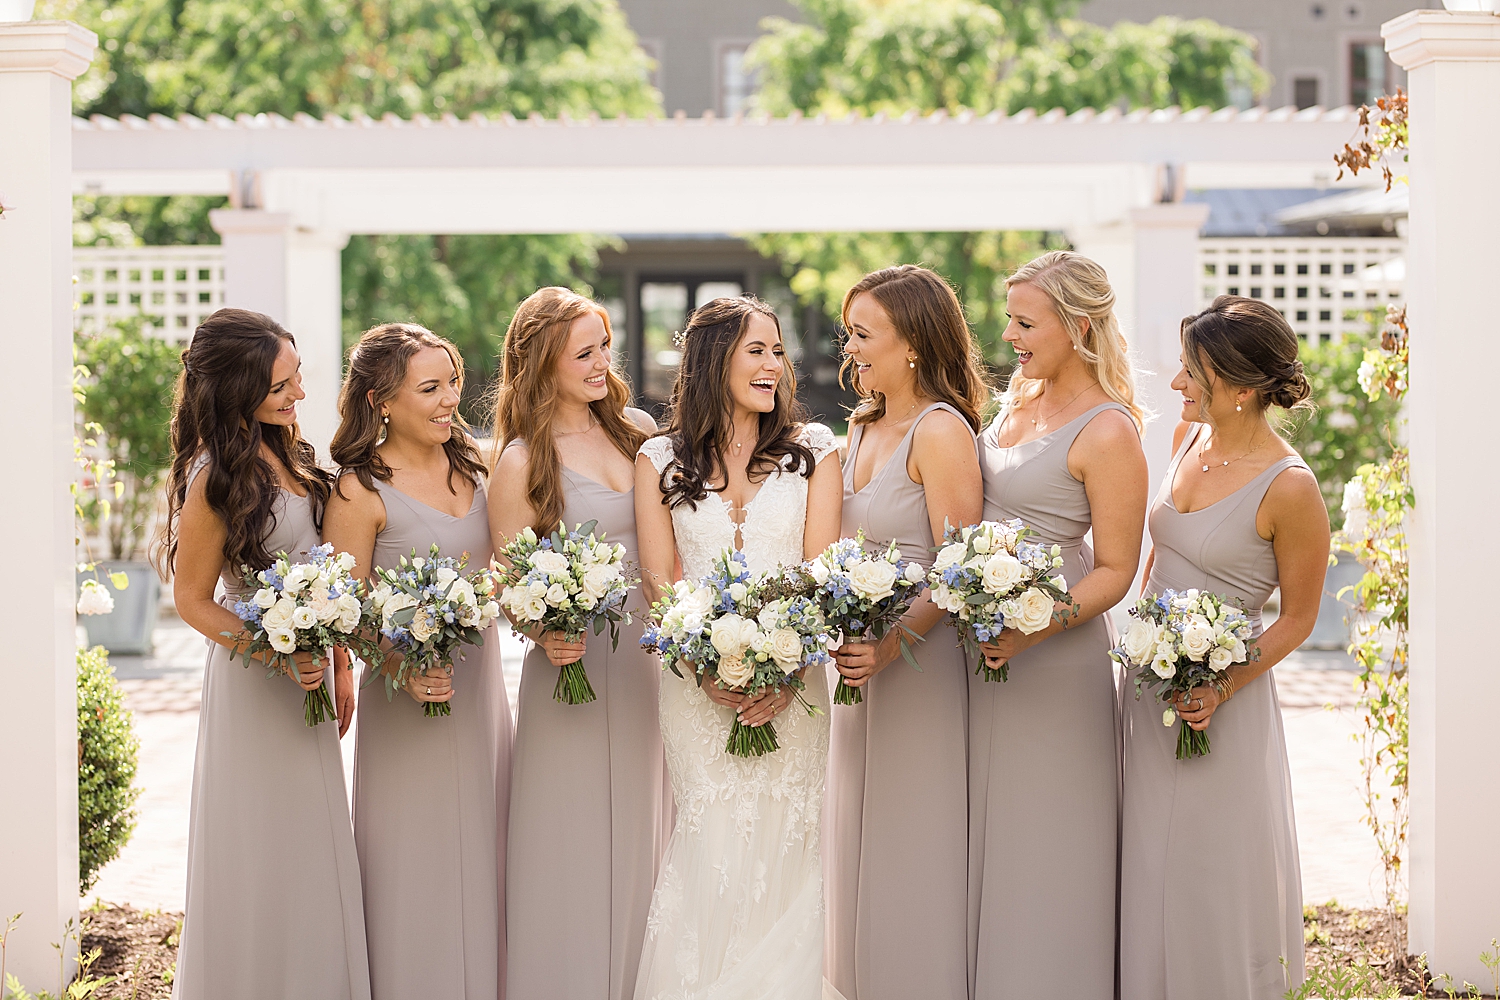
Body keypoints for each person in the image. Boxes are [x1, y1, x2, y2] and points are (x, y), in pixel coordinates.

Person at [632, 296, 843, 1000]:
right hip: (695, 692)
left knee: (789, 851)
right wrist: (701, 669)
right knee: (711, 845)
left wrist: (788, 669)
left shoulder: (815, 451)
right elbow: (661, 585)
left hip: (797, 690)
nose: (773, 366)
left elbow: (820, 575)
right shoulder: (657, 459)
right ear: (713, 358)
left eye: (778, 352)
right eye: (757, 350)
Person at [156, 308, 370, 1000]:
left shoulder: (294, 454)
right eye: (282, 384)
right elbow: (193, 600)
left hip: (308, 678)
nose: (299, 395)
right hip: (255, 687)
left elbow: (326, 573)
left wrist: (338, 662)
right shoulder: (213, 478)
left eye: (298, 376)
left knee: (309, 850)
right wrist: (275, 654)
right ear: (237, 387)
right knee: (260, 851)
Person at [1120, 295, 1328, 999]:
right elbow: (1160, 558)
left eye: (1191, 373)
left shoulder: (1290, 488)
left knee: (1203, 871)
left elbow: (1298, 618)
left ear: (1242, 389)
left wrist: (1221, 685)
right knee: (1146, 861)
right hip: (1147, 693)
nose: (1177, 385)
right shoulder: (1188, 443)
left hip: (1220, 708)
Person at [968, 250, 1149, 999]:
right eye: (1008, 316)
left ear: (1077, 326)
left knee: (1050, 835)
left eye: (1023, 320)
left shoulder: (1109, 431)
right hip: (982, 647)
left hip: (1056, 659)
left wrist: (1036, 627)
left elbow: (1116, 569)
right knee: (994, 830)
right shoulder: (1013, 403)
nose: (1007, 333)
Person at [323, 323, 511, 1000]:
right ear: (380, 400)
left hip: (480, 693)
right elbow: (346, 616)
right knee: (414, 865)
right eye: (429, 389)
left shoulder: (479, 466)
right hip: (406, 705)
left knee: (486, 854)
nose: (449, 402)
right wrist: (401, 664)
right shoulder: (357, 490)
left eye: (453, 383)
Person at [490, 288, 666, 1000]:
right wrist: (544, 629)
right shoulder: (521, 463)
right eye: (584, 352)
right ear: (542, 363)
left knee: (645, 827)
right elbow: (508, 582)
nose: (602, 363)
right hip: (574, 673)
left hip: (652, 661)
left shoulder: (638, 430)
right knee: (569, 843)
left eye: (605, 347)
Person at [827, 265, 987, 1000]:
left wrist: (892, 644)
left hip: (918, 671)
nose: (850, 347)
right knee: (857, 843)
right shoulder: (857, 427)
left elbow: (958, 566)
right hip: (854, 670)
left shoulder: (942, 430)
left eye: (865, 334)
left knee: (912, 845)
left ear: (914, 344)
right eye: (850, 332)